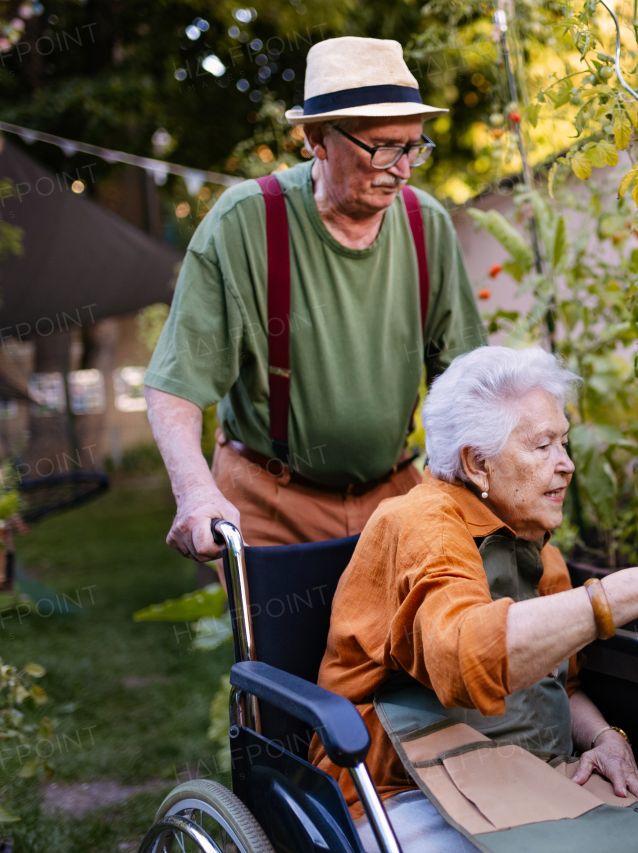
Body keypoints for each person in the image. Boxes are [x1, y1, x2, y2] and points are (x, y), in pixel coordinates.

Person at [310, 346, 638, 853]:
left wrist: (605, 738)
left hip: (525, 775)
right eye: (543, 447)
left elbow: (557, 684)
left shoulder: (535, 545)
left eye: (564, 443)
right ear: (477, 464)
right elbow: (465, 657)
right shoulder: (421, 524)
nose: (567, 466)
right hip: (407, 789)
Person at [145, 36, 486, 561]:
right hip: (268, 503)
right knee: (282, 645)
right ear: (316, 139)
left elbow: (464, 377)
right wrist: (195, 491)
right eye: (384, 147)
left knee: (406, 644)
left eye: (413, 146)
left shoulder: (426, 225)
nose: (402, 169)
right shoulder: (247, 222)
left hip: (394, 496)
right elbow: (175, 387)